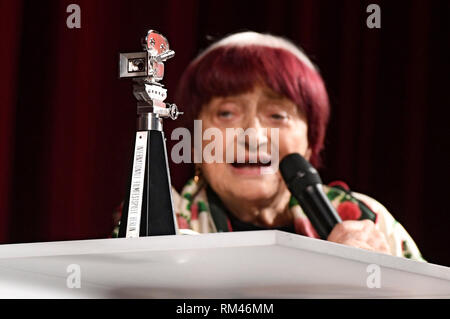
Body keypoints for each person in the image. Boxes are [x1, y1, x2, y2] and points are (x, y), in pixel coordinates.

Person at [113, 31, 424, 261]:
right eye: (226, 113)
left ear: (309, 141)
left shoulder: (364, 219)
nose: (253, 135)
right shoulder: (153, 224)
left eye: (277, 115)